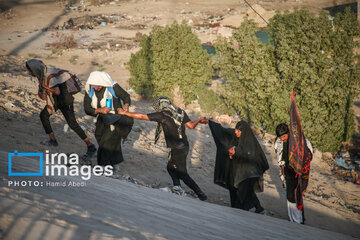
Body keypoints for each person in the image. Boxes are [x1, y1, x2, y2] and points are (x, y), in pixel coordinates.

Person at [117, 96, 207, 201]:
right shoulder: (180, 112)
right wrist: (198, 120)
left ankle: (201, 194)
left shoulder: (162, 115)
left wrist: (125, 113)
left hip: (178, 148)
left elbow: (142, 116)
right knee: (170, 167)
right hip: (183, 145)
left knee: (182, 173)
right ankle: (177, 188)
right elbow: (191, 126)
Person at [25, 59, 96, 158]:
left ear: (35, 69)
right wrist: (41, 88)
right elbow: (43, 97)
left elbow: (57, 91)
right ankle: (53, 140)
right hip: (55, 100)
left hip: (65, 100)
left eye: (30, 70)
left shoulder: (49, 75)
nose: (29, 73)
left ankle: (90, 146)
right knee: (43, 115)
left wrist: (46, 87)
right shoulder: (41, 76)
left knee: (72, 124)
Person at [207, 120, 269, 213]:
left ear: (244, 132)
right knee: (244, 189)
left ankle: (242, 210)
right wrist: (209, 122)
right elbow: (224, 131)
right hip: (240, 170)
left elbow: (249, 155)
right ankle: (258, 208)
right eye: (236, 130)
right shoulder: (236, 136)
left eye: (238, 131)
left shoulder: (250, 142)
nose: (236, 132)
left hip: (250, 172)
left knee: (243, 191)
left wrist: (237, 152)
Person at [84, 71, 133, 171]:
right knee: (99, 136)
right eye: (93, 85)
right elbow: (87, 109)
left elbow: (126, 96)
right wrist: (100, 110)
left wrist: (126, 107)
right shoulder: (90, 90)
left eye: (96, 85)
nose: (94, 87)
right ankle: (114, 163)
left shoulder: (112, 87)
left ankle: (103, 166)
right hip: (102, 118)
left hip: (115, 118)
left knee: (106, 142)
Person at [274, 123, 313, 224]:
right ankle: (292, 219)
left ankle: (299, 219)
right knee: (290, 194)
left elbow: (309, 155)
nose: (282, 139)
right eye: (280, 137)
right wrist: (282, 170)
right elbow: (279, 157)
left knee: (297, 195)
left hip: (298, 172)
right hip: (288, 171)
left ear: (288, 133)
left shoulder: (299, 141)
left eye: (284, 136)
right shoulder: (279, 142)